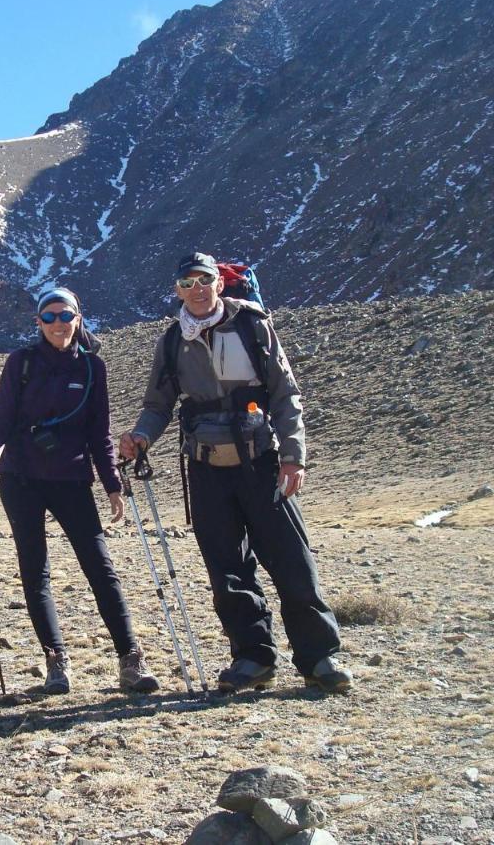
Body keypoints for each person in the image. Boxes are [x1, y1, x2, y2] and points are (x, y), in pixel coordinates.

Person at [120, 252, 352, 695]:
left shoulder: (252, 326)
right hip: (205, 468)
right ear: (177, 291)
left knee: (291, 560)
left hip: (262, 462)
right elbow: (157, 405)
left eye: (204, 280)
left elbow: (285, 394)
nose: (196, 289)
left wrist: (294, 456)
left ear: (219, 283)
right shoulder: (172, 341)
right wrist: (141, 437)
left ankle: (319, 657)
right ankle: (252, 657)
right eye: (186, 283)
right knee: (227, 569)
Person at [0, 287, 159, 696]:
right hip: (21, 480)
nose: (58, 324)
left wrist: (113, 486)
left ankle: (130, 660)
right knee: (36, 573)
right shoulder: (21, 363)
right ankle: (56, 664)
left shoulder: (92, 368)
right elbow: (0, 422)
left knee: (101, 569)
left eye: (65, 316)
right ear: (38, 323)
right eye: (49, 317)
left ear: (78, 320)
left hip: (72, 481)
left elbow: (99, 433)